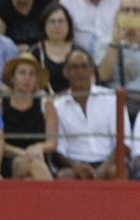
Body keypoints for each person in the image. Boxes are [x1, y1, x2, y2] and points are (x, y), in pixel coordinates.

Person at [53, 42, 117, 176]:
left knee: (115, 171)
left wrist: (103, 169)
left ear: (92, 70)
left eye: (84, 66)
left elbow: (124, 142)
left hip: (108, 161)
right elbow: (59, 149)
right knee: (65, 176)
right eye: (74, 67)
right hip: (74, 163)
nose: (80, 72)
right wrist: (75, 166)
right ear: (65, 72)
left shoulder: (111, 98)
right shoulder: (57, 105)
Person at [93, 0, 140, 107]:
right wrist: (114, 44)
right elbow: (103, 76)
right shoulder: (104, 43)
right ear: (117, 15)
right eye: (126, 10)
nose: (131, 14)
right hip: (113, 102)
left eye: (136, 11)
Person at [0, 50, 54, 177]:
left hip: (39, 157)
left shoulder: (46, 105)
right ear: (12, 77)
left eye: (32, 74)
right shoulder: (0, 105)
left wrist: (39, 147)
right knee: (29, 163)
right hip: (10, 159)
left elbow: (52, 142)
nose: (27, 78)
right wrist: (22, 153)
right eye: (22, 73)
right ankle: (55, 196)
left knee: (31, 174)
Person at [29, 0, 74, 90]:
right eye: (52, 21)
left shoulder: (78, 53)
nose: (57, 25)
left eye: (61, 21)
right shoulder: (35, 53)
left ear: (69, 24)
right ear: (44, 25)